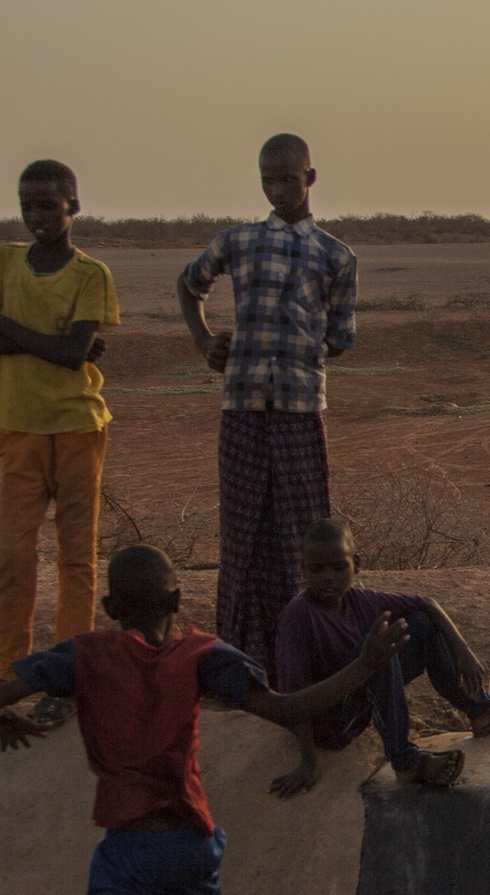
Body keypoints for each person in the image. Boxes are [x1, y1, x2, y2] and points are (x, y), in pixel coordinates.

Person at [0, 545, 408, 895]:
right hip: (192, 845)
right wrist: (364, 666)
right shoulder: (203, 655)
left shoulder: (84, 655)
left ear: (109, 606)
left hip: (129, 848)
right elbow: (288, 709)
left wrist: (2, 713)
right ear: (177, 601)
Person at [177, 134, 357, 682]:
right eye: (267, 180)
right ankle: (242, 663)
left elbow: (341, 337)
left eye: (287, 179)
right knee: (241, 534)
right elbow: (189, 284)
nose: (277, 190)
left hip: (300, 410)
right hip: (243, 408)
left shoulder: (336, 256)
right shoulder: (238, 242)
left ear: (310, 178)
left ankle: (308, 658)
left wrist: (298, 347)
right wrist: (205, 341)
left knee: (303, 533)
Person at [0, 160, 115, 728]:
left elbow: (72, 352)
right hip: (18, 427)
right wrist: (54, 346)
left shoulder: (91, 274)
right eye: (27, 205)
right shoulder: (4, 262)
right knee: (13, 558)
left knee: (76, 558)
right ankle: (11, 674)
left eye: (47, 206)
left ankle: (67, 677)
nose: (36, 216)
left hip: (78, 427)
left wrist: (6, 327)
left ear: (72, 207)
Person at [272, 519, 490, 794]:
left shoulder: (358, 600)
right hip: (329, 722)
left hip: (355, 698)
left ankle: (481, 710)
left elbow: (427, 603)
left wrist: (462, 647)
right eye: (317, 569)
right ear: (303, 570)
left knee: (422, 624)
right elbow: (294, 700)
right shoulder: (298, 617)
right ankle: (405, 761)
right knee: (378, 651)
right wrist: (309, 763)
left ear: (356, 565)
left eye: (338, 567)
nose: (328, 577)